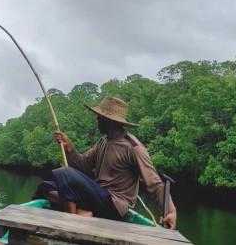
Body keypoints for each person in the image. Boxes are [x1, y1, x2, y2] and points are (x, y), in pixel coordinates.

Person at [39, 96, 177, 229]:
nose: (97, 120)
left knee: (64, 173)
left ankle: (73, 224)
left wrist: (171, 211)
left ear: (110, 121)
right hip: (97, 197)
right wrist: (69, 148)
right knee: (46, 187)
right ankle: (82, 212)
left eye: (100, 118)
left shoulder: (133, 148)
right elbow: (82, 165)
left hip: (114, 205)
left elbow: (154, 184)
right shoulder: (104, 141)